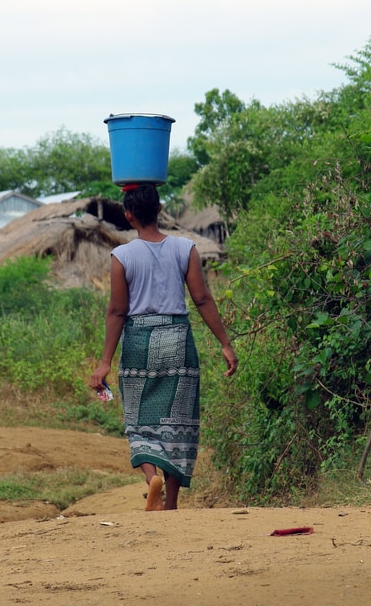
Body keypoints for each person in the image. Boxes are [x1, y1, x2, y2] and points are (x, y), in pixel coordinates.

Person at [90, 183, 238, 511]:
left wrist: (104, 363)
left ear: (128, 216)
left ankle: (150, 476)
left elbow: (116, 311)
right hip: (177, 339)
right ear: (159, 210)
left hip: (139, 342)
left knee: (139, 417)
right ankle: (170, 503)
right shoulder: (186, 248)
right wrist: (225, 344)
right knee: (178, 422)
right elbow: (201, 298)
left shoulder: (122, 256)